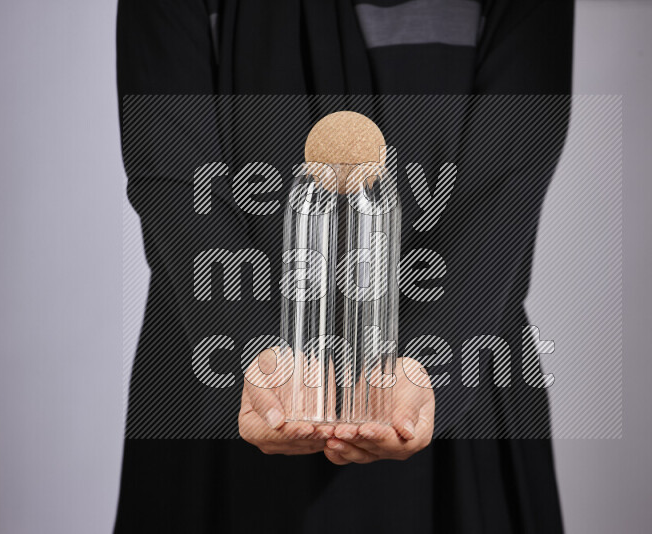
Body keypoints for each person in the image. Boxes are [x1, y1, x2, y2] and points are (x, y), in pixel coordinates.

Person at [115, 1, 573, 532]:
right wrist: (249, 348)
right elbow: (168, 158)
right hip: (215, 366)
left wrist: (431, 365)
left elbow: (511, 168)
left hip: (461, 363)